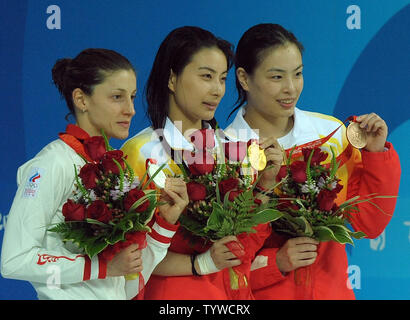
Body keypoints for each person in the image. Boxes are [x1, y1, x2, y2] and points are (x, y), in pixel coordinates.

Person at [224, 23, 401, 299]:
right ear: (244, 78)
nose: (291, 88)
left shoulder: (329, 135)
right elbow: (219, 269)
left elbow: (370, 223)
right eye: (277, 77)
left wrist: (376, 154)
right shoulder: (223, 152)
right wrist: (275, 263)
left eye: (298, 74)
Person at [1, 48, 186, 300]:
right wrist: (101, 268)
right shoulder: (52, 163)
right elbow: (14, 260)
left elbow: (124, 286)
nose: (131, 109)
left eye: (131, 97)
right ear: (81, 99)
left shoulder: (116, 171)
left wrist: (163, 227)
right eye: (117, 97)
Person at [121, 26, 272, 300]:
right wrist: (201, 262)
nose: (217, 90)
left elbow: (247, 247)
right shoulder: (141, 153)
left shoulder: (233, 149)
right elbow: (130, 260)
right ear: (171, 78)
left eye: (223, 79)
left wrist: (265, 187)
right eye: (206, 76)